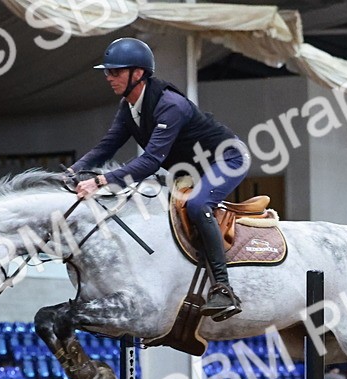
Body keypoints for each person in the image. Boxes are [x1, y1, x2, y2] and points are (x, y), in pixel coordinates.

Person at [70, 38, 249, 321]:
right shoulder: (128, 107)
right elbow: (106, 146)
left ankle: (223, 288)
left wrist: (101, 181)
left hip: (227, 159)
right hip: (191, 169)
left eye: (115, 72)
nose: (108, 77)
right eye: (107, 72)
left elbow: (151, 161)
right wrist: (71, 173)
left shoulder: (171, 105)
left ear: (137, 73)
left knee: (197, 205)